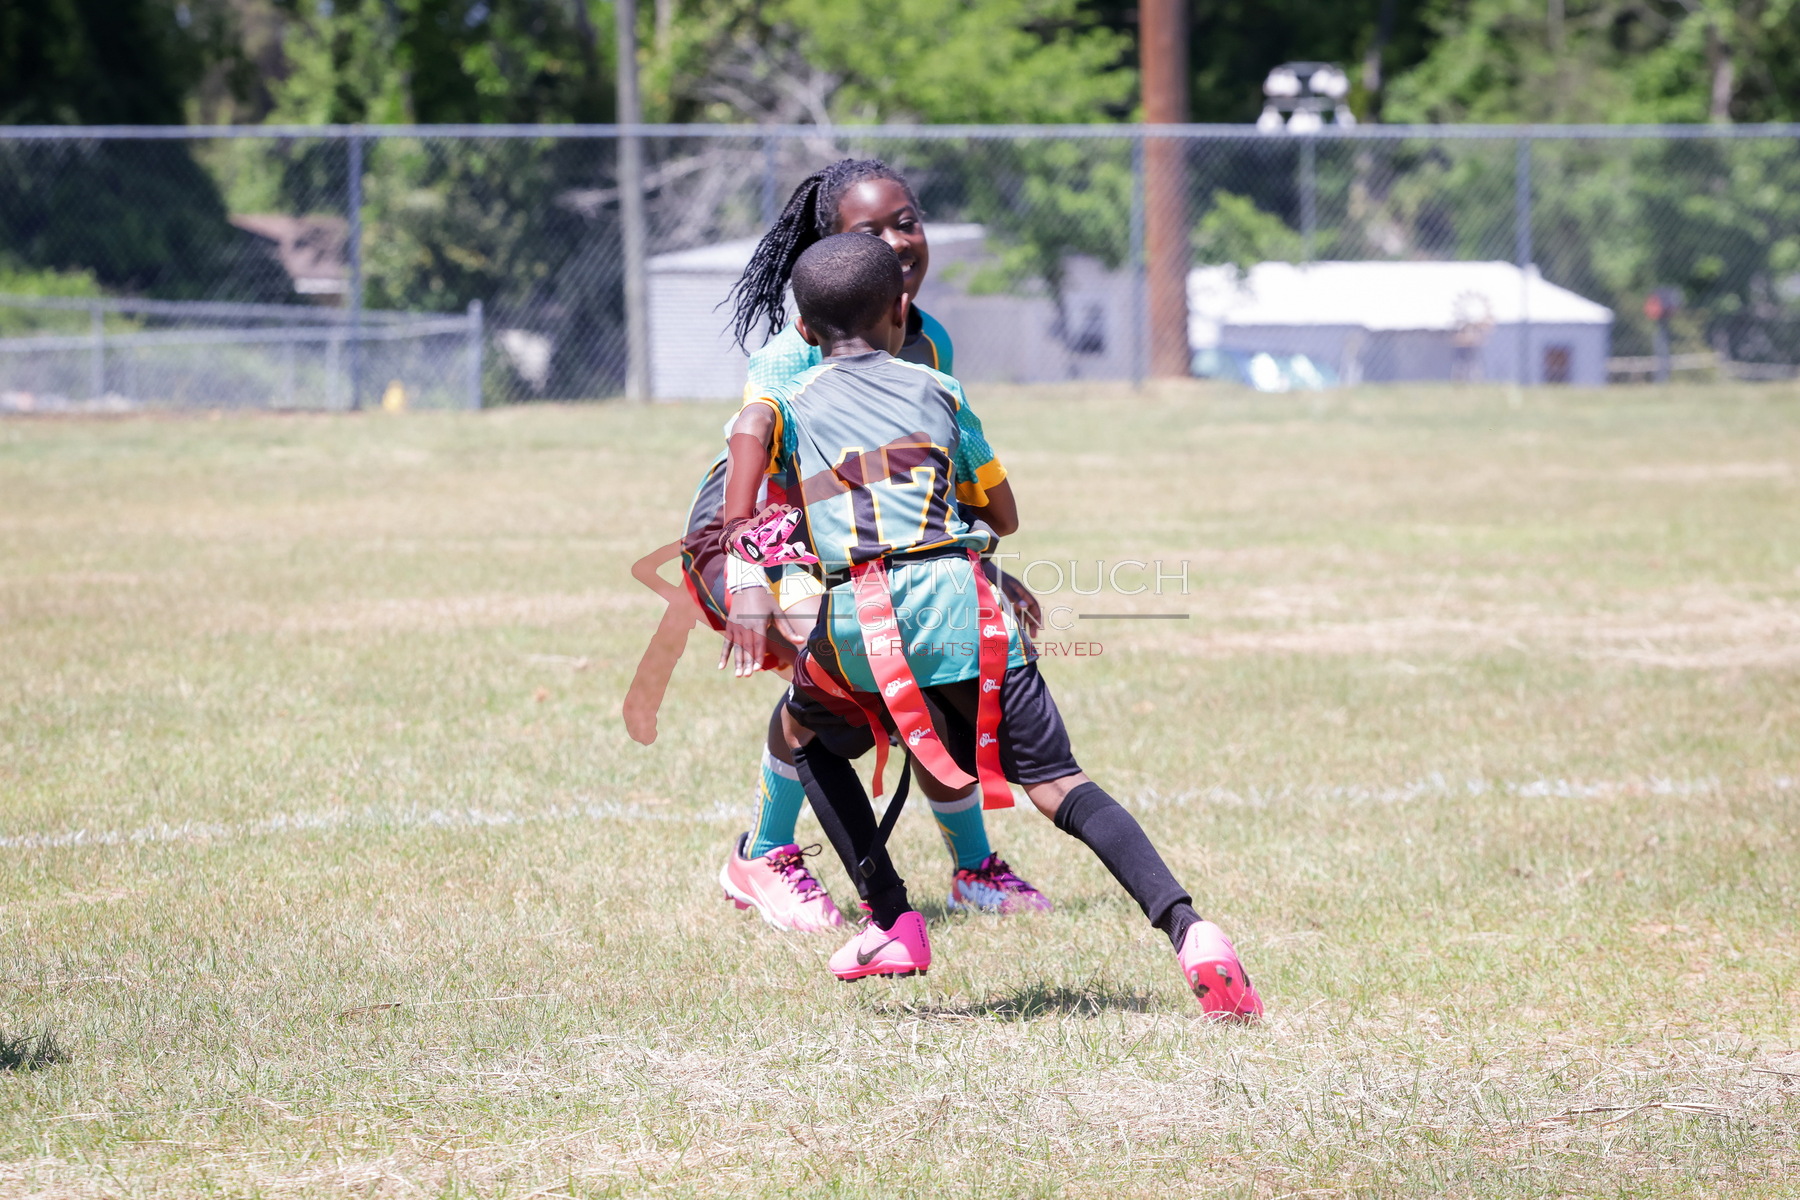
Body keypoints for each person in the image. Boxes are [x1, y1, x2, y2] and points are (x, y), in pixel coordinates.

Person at [715, 232, 1263, 1020]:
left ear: (802, 330)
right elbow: (1002, 514)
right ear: (901, 309)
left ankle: (892, 920)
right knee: (1058, 782)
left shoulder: (779, 404)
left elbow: (745, 479)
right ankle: (1190, 929)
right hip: (965, 606)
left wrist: (761, 529)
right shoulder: (941, 390)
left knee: (805, 738)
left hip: (862, 615)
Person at [682, 158, 1050, 934]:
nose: (897, 241)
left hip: (852, 534)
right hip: (757, 527)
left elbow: (926, 480)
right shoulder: (794, 354)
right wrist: (754, 582)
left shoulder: (929, 341)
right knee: (834, 678)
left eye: (906, 221)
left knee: (935, 663)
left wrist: (976, 573)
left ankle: (974, 869)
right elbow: (764, 474)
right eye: (868, 231)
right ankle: (762, 856)